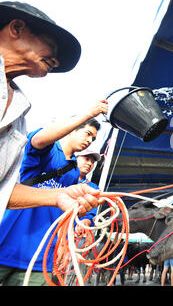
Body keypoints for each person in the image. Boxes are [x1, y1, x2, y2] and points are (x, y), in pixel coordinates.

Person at [0, 1, 104, 224]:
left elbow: (3, 190)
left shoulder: (19, 113)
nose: (55, 61)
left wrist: (58, 195)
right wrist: (89, 112)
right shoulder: (46, 148)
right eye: (51, 46)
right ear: (16, 28)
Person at [0, 102, 107, 286]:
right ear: (72, 129)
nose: (89, 141)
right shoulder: (46, 151)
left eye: (93, 139)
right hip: (8, 242)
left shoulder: (75, 172)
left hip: (41, 253)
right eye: (87, 134)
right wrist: (88, 113)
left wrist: (65, 242)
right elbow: (39, 140)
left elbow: (66, 214)